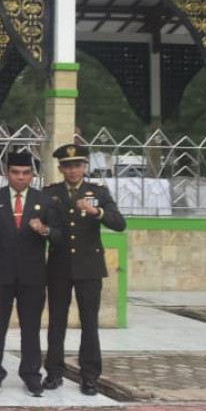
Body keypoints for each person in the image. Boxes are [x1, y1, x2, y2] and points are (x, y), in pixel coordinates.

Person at [0, 151, 62, 396]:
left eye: (26, 173)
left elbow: (59, 235)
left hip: (32, 277)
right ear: (7, 173)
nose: (20, 177)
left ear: (32, 175)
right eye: (15, 172)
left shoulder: (44, 201)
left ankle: (31, 376)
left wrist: (44, 230)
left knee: (31, 329)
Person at [43, 143, 125, 396]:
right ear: (60, 169)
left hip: (89, 267)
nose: (73, 170)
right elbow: (49, 227)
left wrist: (96, 211)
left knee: (89, 323)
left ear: (85, 167)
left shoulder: (98, 192)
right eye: (67, 166)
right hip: (59, 266)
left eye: (77, 165)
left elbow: (119, 223)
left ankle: (89, 377)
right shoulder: (51, 193)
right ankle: (54, 372)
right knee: (56, 322)